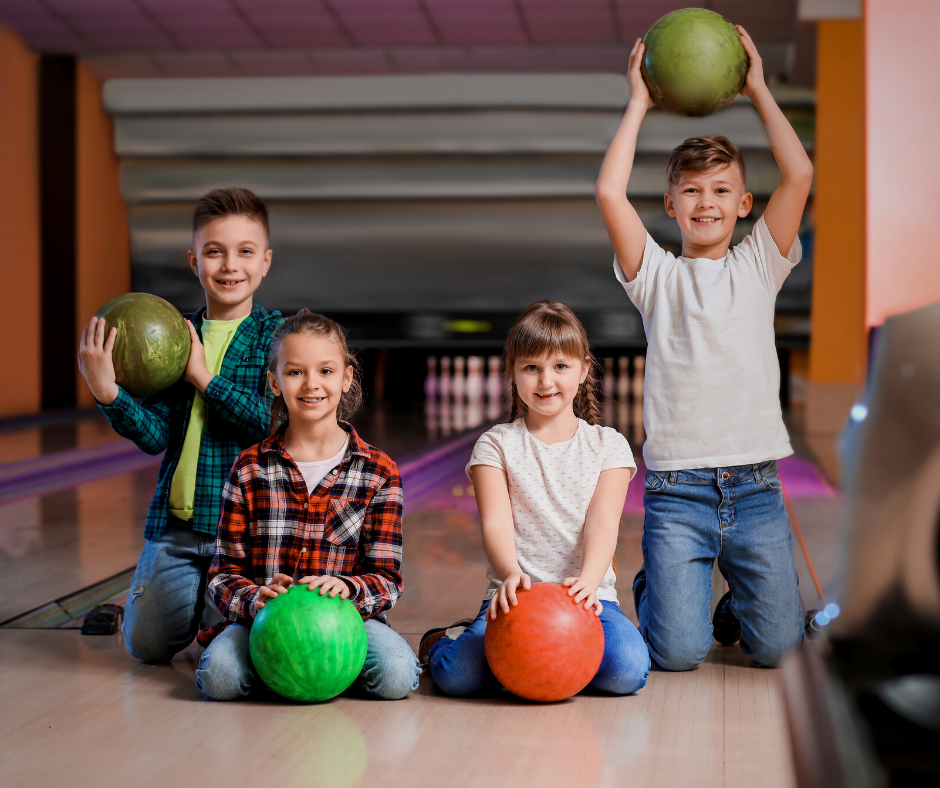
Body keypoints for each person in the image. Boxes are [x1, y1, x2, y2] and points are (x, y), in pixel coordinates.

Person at [594, 29, 814, 670]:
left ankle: (729, 603)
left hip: (755, 490)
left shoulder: (760, 264)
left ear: (745, 205)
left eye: (721, 190)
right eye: (691, 190)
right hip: (676, 492)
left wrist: (758, 89)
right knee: (677, 654)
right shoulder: (655, 277)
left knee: (777, 649)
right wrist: (638, 101)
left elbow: (799, 172)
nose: (706, 202)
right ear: (669, 204)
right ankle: (658, 588)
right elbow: (610, 193)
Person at [77, 187, 282, 663]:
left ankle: (209, 607)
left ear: (266, 261)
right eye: (215, 252)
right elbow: (158, 439)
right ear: (194, 260)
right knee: (147, 648)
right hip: (177, 528)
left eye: (245, 252)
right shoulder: (170, 337)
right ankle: (141, 607)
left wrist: (204, 378)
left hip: (243, 535)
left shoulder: (277, 337)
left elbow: (272, 425)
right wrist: (109, 392)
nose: (230, 265)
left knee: (232, 646)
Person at [418, 301, 650, 697]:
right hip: (514, 594)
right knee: (459, 677)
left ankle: (551, 661)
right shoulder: (497, 444)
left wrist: (589, 583)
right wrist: (510, 573)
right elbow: (496, 523)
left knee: (626, 672)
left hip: (588, 597)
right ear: (513, 373)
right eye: (532, 368)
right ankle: (442, 640)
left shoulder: (607, 445)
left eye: (560, 366)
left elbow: (602, 523)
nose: (546, 380)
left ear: (584, 370)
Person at [195, 310, 420, 701]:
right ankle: (283, 664)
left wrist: (346, 588)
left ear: (347, 377)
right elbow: (222, 572)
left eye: (326, 371)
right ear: (275, 382)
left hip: (347, 621)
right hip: (262, 620)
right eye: (295, 372)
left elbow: (387, 578)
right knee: (220, 678)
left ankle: (313, 668)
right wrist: (255, 598)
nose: (311, 384)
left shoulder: (379, 471)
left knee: (397, 676)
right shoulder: (249, 467)